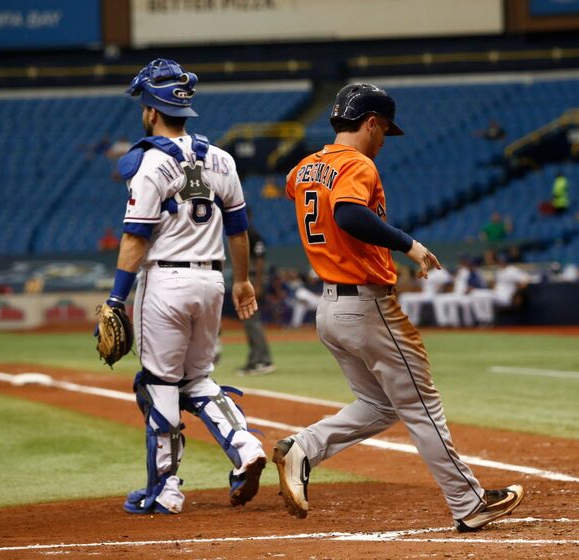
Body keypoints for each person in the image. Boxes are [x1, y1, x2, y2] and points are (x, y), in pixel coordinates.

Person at [277, 83, 524, 532]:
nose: (385, 140)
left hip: (330, 308)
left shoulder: (307, 166)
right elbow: (349, 214)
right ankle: (469, 504)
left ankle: (304, 448)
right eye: (385, 130)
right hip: (367, 308)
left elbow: (294, 187)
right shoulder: (357, 163)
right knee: (422, 405)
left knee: (379, 405)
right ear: (371, 122)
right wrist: (409, 244)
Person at [107, 59, 266, 515]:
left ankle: (166, 489)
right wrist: (243, 282)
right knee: (197, 379)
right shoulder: (221, 158)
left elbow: (136, 235)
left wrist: (117, 297)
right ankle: (244, 445)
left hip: (165, 280)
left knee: (157, 383)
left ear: (151, 110)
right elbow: (239, 229)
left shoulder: (152, 163)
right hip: (212, 279)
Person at [236, 209, 276, 375]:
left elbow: (260, 260)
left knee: (253, 322)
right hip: (247, 279)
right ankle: (254, 359)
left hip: (252, 279)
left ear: (249, 217)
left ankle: (263, 360)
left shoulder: (252, 234)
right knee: (249, 322)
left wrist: (258, 284)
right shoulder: (242, 233)